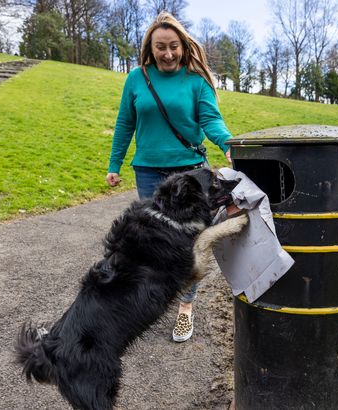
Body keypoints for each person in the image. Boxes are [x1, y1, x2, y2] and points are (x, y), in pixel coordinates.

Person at [105, 12, 233, 343]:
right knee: (154, 241)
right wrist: (114, 165)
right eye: (160, 47)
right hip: (148, 171)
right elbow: (125, 124)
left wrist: (227, 144)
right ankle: (151, 299)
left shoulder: (196, 80)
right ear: (150, 48)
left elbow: (211, 120)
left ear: (183, 46)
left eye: (173, 46)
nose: (168, 53)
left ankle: (185, 307)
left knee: (187, 245)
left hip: (190, 174)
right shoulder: (137, 78)